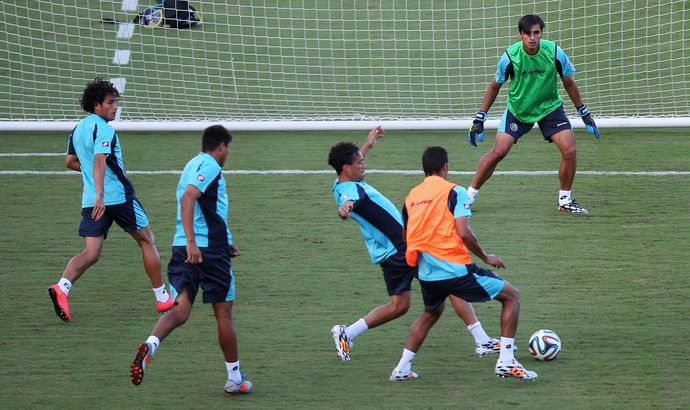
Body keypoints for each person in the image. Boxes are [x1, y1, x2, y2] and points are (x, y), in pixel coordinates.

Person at [327, 127, 501, 363]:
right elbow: (349, 201)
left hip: (388, 252)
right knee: (449, 280)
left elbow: (352, 172)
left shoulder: (341, 181)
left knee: (400, 305)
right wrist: (344, 208)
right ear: (347, 167)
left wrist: (368, 144)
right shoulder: (349, 190)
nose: (363, 164)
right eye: (359, 162)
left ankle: (347, 332)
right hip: (402, 247)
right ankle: (482, 341)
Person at [390, 146, 537, 381]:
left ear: (423, 169)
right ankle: (506, 363)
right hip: (454, 268)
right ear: (445, 167)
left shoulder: (411, 197)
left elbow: (407, 236)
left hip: (427, 272)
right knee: (512, 296)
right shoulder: (454, 192)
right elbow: (464, 231)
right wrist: (485, 256)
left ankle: (401, 369)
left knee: (430, 313)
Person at [129, 125, 252, 396]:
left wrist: (223, 241)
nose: (228, 153)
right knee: (223, 314)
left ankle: (150, 344)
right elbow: (189, 198)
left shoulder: (190, 165)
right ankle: (234, 378)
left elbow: (203, 209)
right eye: (228, 148)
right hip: (205, 251)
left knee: (179, 310)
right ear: (221, 146)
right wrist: (196, 243)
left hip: (182, 248)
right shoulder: (210, 166)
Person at [47, 78, 173, 323]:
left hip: (90, 200)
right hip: (115, 197)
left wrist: (94, 190)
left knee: (91, 253)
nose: (115, 107)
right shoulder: (104, 129)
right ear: (97, 105)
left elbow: (71, 162)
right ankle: (162, 297)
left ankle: (62, 287)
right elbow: (99, 160)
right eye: (110, 103)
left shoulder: (78, 129)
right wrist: (101, 195)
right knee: (147, 240)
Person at [467, 14, 600, 214]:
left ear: (541, 34)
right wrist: (480, 118)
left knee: (569, 150)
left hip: (550, 108)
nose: (532, 38)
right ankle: (467, 198)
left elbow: (569, 82)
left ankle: (565, 201)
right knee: (498, 153)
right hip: (519, 110)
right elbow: (494, 87)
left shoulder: (554, 52)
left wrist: (584, 112)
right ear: (520, 35)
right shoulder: (510, 57)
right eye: (527, 33)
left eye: (536, 33)